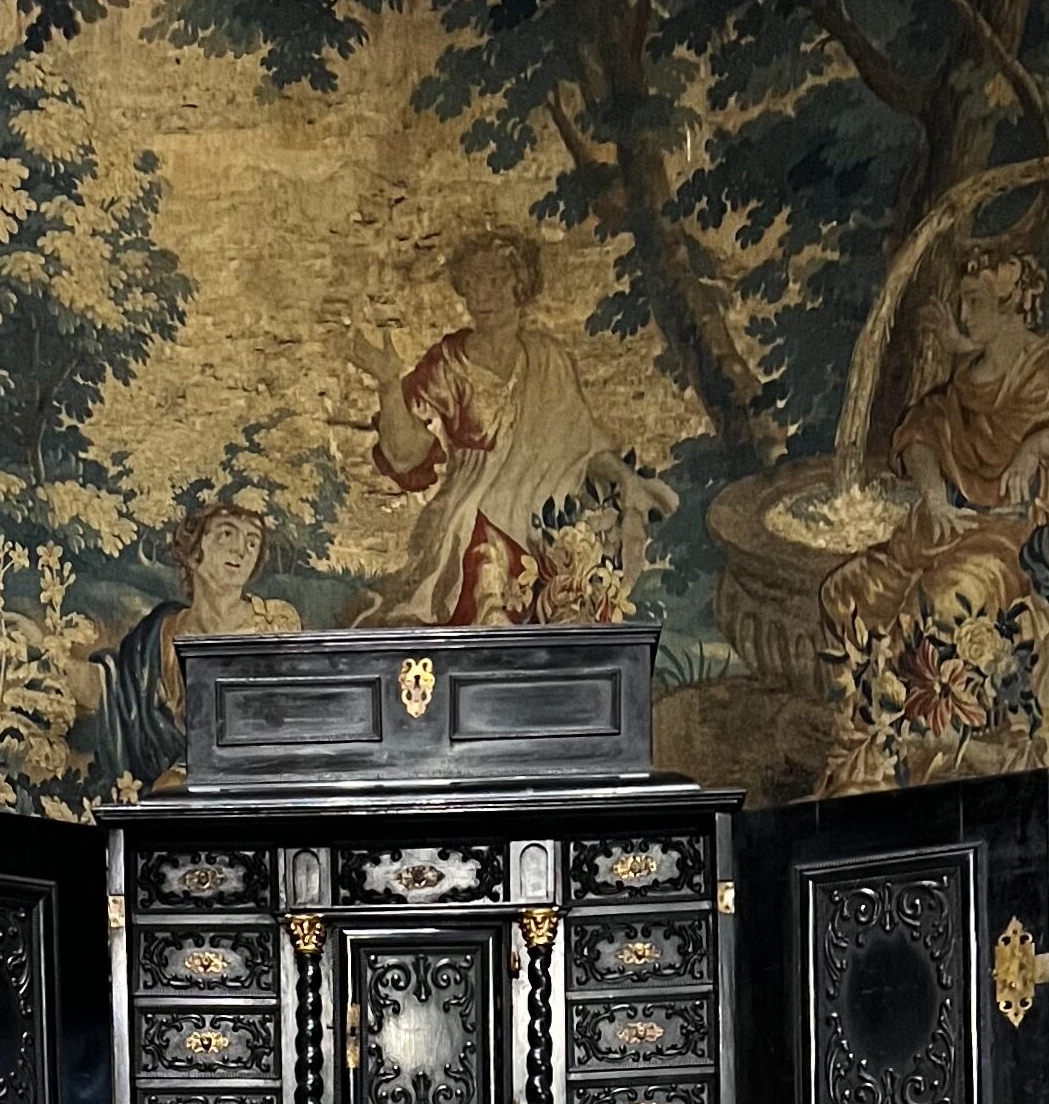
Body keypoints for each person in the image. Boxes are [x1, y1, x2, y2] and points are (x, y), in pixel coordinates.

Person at [354, 230, 663, 624]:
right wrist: (387, 384)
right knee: (487, 564)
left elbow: (583, 447)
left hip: (544, 511)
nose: (481, 296)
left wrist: (625, 478)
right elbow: (406, 454)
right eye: (473, 283)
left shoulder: (548, 359)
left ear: (520, 287)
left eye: (495, 281)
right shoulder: (449, 364)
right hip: (471, 511)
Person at [90, 494, 298, 793]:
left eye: (252, 541)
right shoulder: (158, 630)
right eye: (227, 533)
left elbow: (285, 722)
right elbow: (116, 689)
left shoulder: (274, 622)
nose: (241, 549)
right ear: (191, 552)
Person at [891, 247, 1049, 527]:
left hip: (1041, 527)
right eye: (962, 302)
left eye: (975, 302)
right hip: (964, 523)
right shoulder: (964, 383)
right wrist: (935, 499)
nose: (964, 315)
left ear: (1008, 304)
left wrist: (1036, 445)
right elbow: (920, 431)